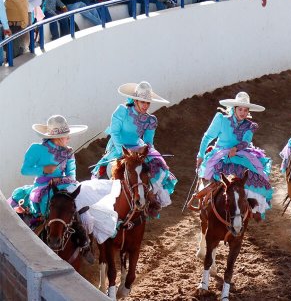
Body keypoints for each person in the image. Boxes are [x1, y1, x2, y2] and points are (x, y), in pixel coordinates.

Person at [8, 115, 95, 263]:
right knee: (49, 208)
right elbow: (25, 170)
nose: (68, 139)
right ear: (57, 138)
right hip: (43, 186)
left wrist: (61, 179)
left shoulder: (68, 152)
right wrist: (44, 170)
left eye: (67, 136)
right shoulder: (36, 149)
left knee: (78, 206)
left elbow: (72, 174)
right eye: (66, 136)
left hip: (64, 184)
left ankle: (83, 241)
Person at [91, 81, 177, 208]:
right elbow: (115, 133)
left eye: (148, 102)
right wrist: (123, 152)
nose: (146, 105)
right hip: (118, 146)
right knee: (109, 172)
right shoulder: (122, 111)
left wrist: (145, 149)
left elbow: (148, 141)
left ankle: (151, 194)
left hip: (138, 147)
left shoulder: (151, 120)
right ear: (135, 101)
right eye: (143, 102)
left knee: (160, 166)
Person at [196, 91, 272, 216]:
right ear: (234, 109)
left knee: (255, 173)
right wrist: (200, 154)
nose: (243, 112)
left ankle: (248, 205)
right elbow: (208, 137)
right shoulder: (221, 119)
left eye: (245, 110)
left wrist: (236, 149)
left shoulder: (250, 126)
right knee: (212, 172)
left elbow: (246, 142)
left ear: (248, 112)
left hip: (241, 153)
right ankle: (207, 199)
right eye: (240, 109)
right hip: (220, 153)